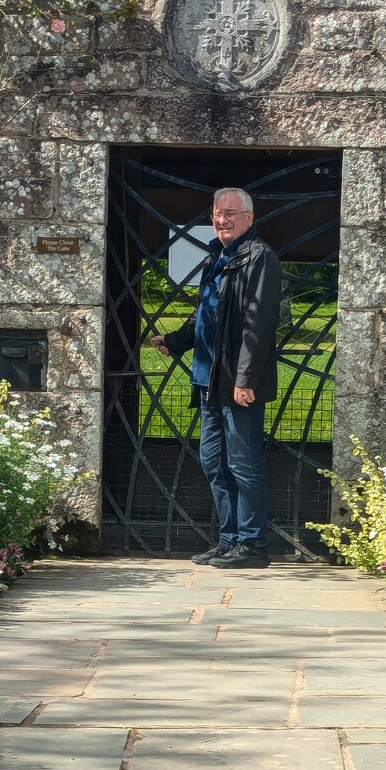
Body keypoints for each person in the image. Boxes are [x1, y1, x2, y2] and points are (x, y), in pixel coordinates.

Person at [151, 187, 281, 569]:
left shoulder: (260, 258)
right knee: (214, 462)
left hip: (236, 384)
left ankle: (253, 546)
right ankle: (228, 541)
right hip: (208, 379)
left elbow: (258, 327)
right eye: (217, 214)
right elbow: (207, 316)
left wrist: (245, 380)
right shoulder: (219, 257)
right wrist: (176, 339)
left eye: (230, 213)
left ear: (249, 218)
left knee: (244, 464)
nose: (222, 220)